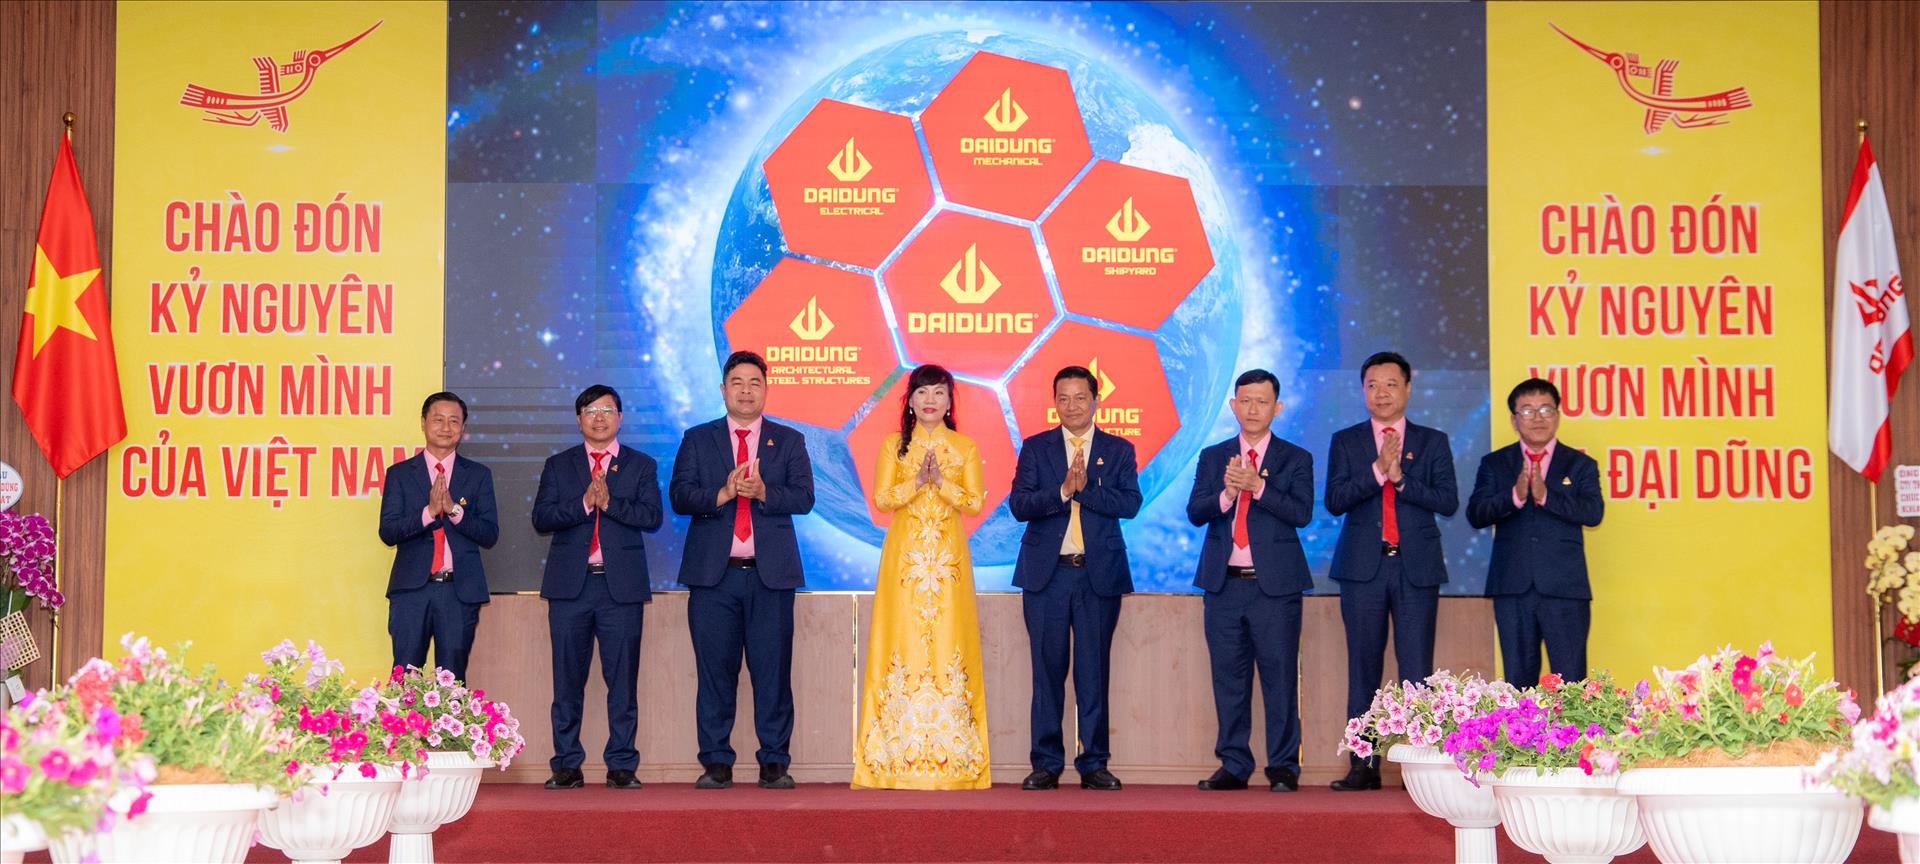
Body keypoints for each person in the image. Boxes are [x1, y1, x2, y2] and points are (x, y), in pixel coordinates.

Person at [670, 351, 814, 791]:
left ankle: (774, 761)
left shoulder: (788, 440)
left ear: (766, 389)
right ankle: (716, 761)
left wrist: (766, 492)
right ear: (723, 389)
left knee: (773, 673)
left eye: (755, 383)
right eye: (737, 382)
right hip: (714, 578)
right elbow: (679, 496)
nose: (746, 391)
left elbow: (804, 498)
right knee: (715, 674)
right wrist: (723, 493)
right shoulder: (698, 439)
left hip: (771, 578)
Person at [852, 364, 991, 790]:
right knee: (901, 641)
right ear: (910, 401)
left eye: (939, 392)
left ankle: (956, 760)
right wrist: (916, 481)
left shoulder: (964, 447)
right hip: (905, 564)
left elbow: (974, 503)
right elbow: (881, 500)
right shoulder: (893, 445)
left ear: (950, 401)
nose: (930, 400)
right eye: (922, 392)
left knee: (951, 641)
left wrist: (941, 484)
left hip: (948, 565)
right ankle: (893, 757)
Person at [1324, 351, 1458, 792]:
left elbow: (1447, 501)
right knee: (1362, 667)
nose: (1381, 393)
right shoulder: (1346, 441)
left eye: (1390, 384)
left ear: (1408, 388)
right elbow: (1335, 501)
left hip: (1415, 567)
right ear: (1363, 391)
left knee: (1417, 670)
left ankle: (1420, 767)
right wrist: (1377, 471)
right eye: (1372, 385)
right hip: (1362, 568)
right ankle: (1363, 764)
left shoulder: (1432, 441)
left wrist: (1400, 480)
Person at [1009, 365, 1142, 792]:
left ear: (1095, 401)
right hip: (1047, 576)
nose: (1072, 406)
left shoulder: (1118, 450)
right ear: (1054, 403)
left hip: (1097, 576)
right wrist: (1063, 491)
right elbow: (1020, 505)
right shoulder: (1036, 448)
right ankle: (1046, 763)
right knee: (1046, 673)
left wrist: (1086, 490)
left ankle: (1094, 763)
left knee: (1093, 673)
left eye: (1080, 397)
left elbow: (1130, 504)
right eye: (1063, 399)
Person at [1186, 369, 1314, 793]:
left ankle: (1283, 767)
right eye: (1245, 400)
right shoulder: (1213, 456)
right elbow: (1196, 512)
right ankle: (1234, 764)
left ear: (1277, 408)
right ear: (1233, 405)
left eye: (1262, 401)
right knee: (1229, 679)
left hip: (1274, 589)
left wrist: (1258, 487)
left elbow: (1301, 513)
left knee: (1280, 679)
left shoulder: (1296, 458)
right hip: (1223, 586)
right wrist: (1227, 494)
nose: (1253, 409)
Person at [533, 384, 662, 790]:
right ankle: (566, 764)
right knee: (566, 682)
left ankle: (621, 764)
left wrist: (609, 504)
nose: (599, 417)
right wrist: (585, 503)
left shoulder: (640, 465)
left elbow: (651, 517)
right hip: (570, 588)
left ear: (620, 418)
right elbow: (542, 518)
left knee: (622, 682)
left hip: (619, 589)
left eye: (607, 410)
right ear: (579, 420)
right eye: (591, 411)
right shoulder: (559, 465)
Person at [1467, 378, 1604, 688]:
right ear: (1514, 420)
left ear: (1557, 415)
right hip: (1513, 589)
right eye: (1527, 411)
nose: (1538, 418)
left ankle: (1571, 725)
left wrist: (1546, 496)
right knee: (1517, 685)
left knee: (1571, 684)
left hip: (1565, 590)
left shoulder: (1580, 465)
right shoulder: (1495, 464)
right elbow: (1476, 514)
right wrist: (1514, 496)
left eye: (1545, 409)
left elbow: (1593, 513)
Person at [378, 391, 499, 684]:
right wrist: (429, 512)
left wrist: (454, 510)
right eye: (438, 419)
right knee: (405, 679)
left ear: (463, 427)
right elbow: (388, 532)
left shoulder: (478, 475)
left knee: (453, 681)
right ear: (423, 423)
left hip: (459, 591)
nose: (446, 427)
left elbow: (489, 534)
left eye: (454, 421)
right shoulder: (400, 474)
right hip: (412, 590)